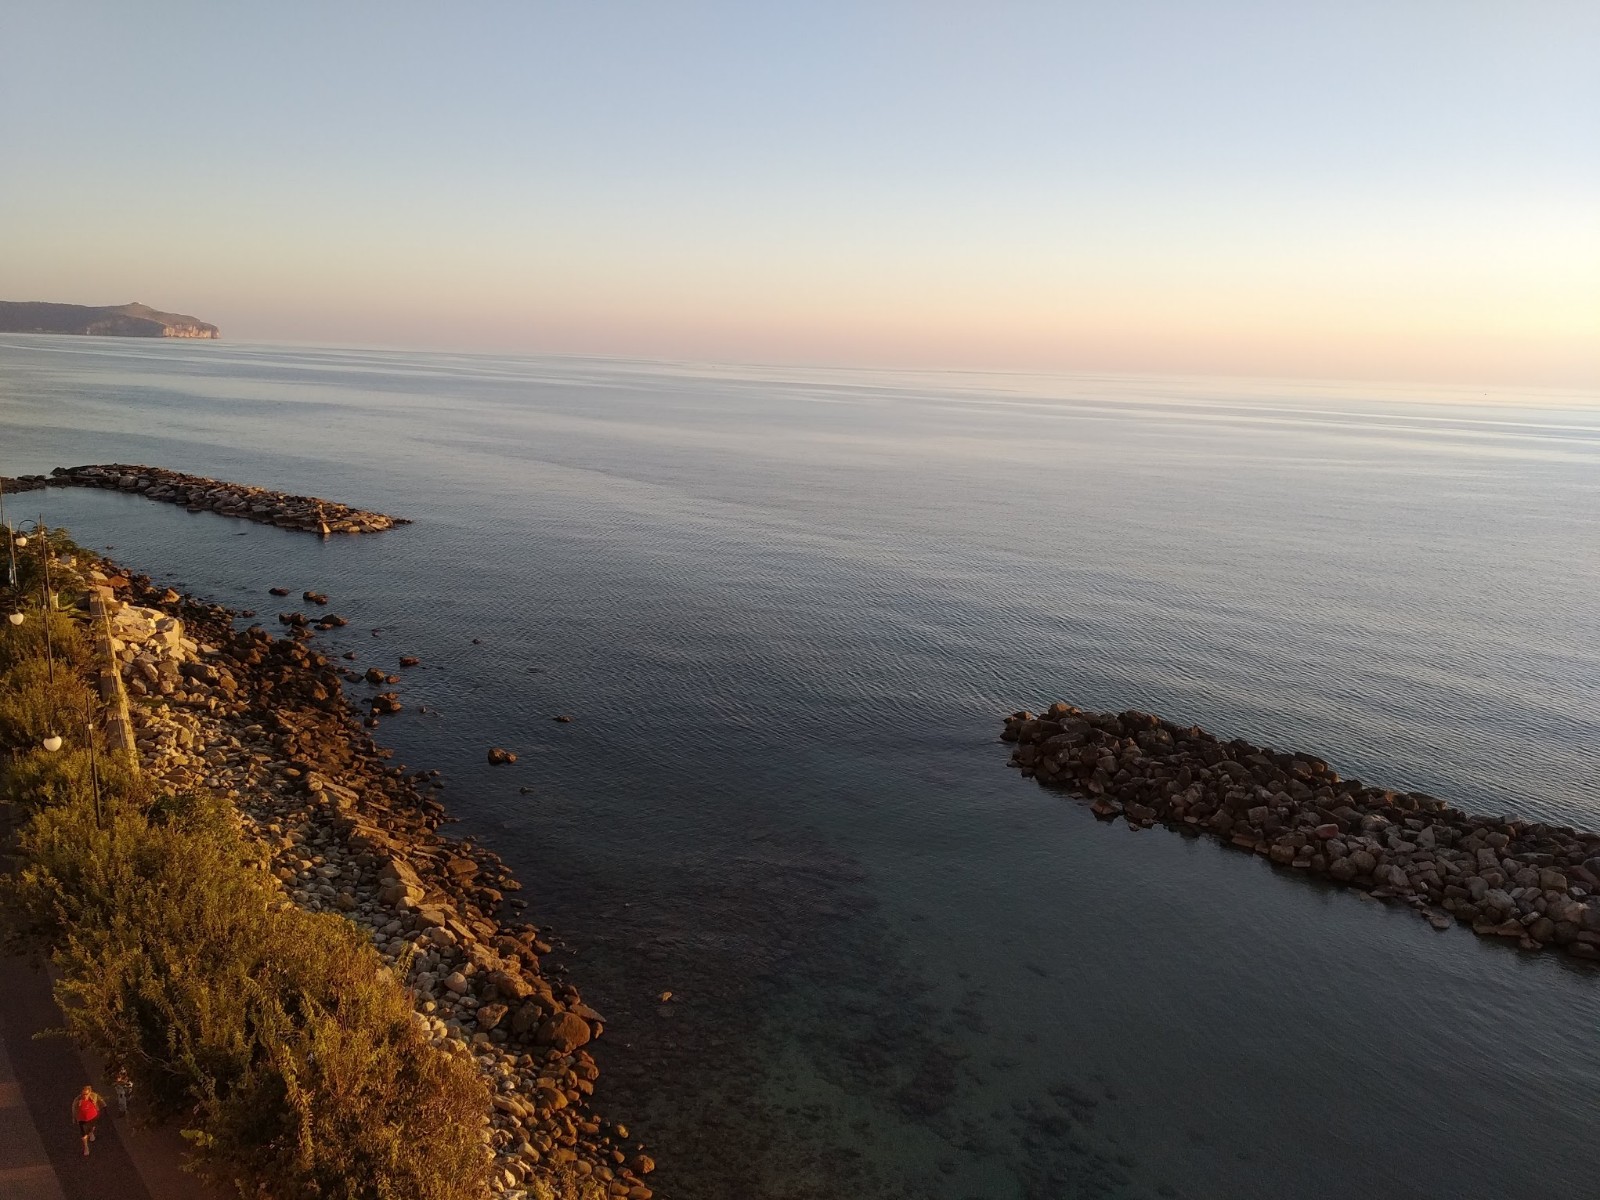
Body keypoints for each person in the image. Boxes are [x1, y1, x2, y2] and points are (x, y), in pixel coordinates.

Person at [72, 1085, 103, 1157]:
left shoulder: (93, 1096)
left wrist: (101, 1107)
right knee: (83, 1134)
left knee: (92, 1128)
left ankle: (91, 1133)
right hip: (82, 1119)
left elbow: (100, 1101)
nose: (84, 1096)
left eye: (86, 1094)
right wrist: (74, 1118)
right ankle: (86, 1147)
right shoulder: (77, 1100)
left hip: (92, 1117)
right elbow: (74, 1109)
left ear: (90, 1093)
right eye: (83, 1094)